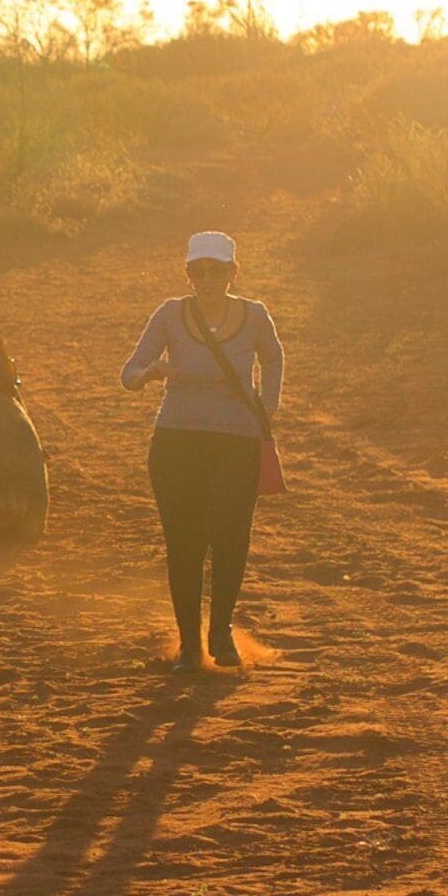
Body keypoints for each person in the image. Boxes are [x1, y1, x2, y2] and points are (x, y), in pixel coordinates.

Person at [120, 231, 284, 672]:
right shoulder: (171, 315)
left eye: (217, 270)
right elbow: (129, 372)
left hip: (237, 441)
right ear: (188, 273)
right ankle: (191, 646)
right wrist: (149, 374)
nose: (207, 278)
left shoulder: (254, 316)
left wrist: (266, 409)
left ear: (234, 272)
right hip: (178, 441)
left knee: (231, 540)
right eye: (198, 270)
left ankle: (221, 633)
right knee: (185, 545)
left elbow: (273, 357)